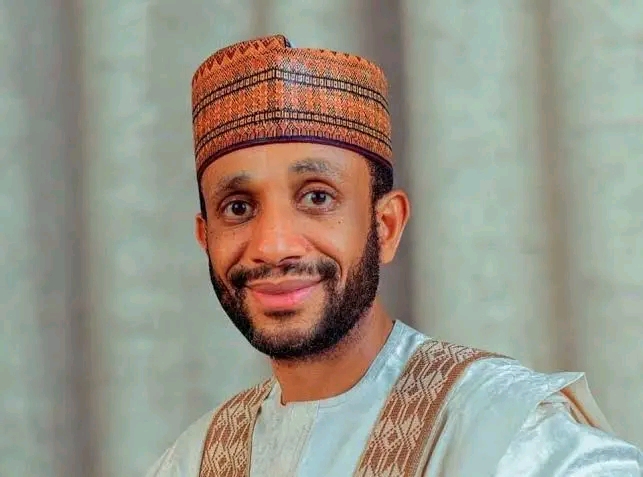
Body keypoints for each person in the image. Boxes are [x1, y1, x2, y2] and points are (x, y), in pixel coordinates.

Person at [146, 34, 642, 476]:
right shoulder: (195, 458)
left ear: (385, 226)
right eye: (238, 207)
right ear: (205, 236)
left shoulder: (507, 433)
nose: (272, 245)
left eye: (317, 197)